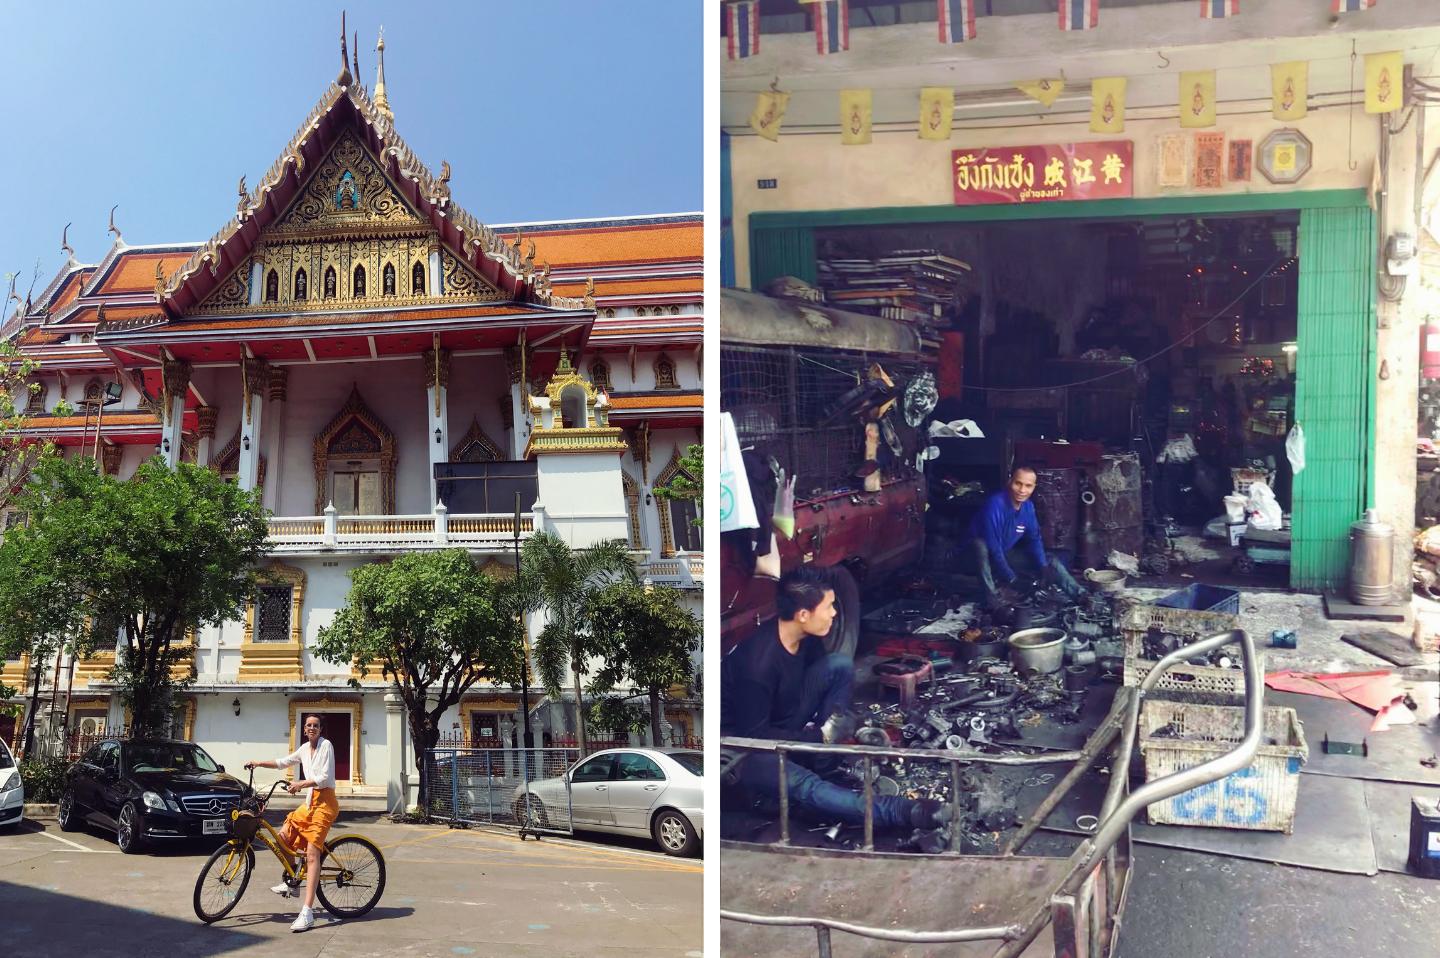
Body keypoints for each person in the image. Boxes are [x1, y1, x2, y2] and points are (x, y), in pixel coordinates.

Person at [721, 566, 951, 831]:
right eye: (828, 606)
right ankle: (900, 810)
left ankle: (825, 762)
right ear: (804, 614)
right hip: (738, 746)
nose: (834, 612)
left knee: (838, 665)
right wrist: (818, 737)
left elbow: (821, 681)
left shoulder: (805, 636)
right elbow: (755, 736)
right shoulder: (757, 665)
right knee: (804, 785)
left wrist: (845, 725)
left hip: (778, 718)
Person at [245, 715, 338, 933]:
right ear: (304, 729)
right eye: (308, 726)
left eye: (315, 725)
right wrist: (257, 763)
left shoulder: (326, 746)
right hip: (309, 804)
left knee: (313, 854)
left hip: (325, 803)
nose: (312, 728)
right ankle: (294, 880)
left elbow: (324, 778)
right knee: (282, 838)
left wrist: (300, 784)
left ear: (321, 729)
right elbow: (282, 763)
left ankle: (307, 912)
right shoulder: (305, 749)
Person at [958, 465, 1084, 607]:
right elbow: (994, 548)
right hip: (971, 559)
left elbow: (1035, 539)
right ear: (1010, 481)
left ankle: (1082, 596)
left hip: (1000, 557)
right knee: (979, 544)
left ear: (1034, 487)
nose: (1022, 490)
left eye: (1028, 486)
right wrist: (1012, 579)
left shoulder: (1028, 508)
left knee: (1050, 561)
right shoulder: (995, 504)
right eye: (1018, 483)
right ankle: (993, 603)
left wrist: (1043, 567)